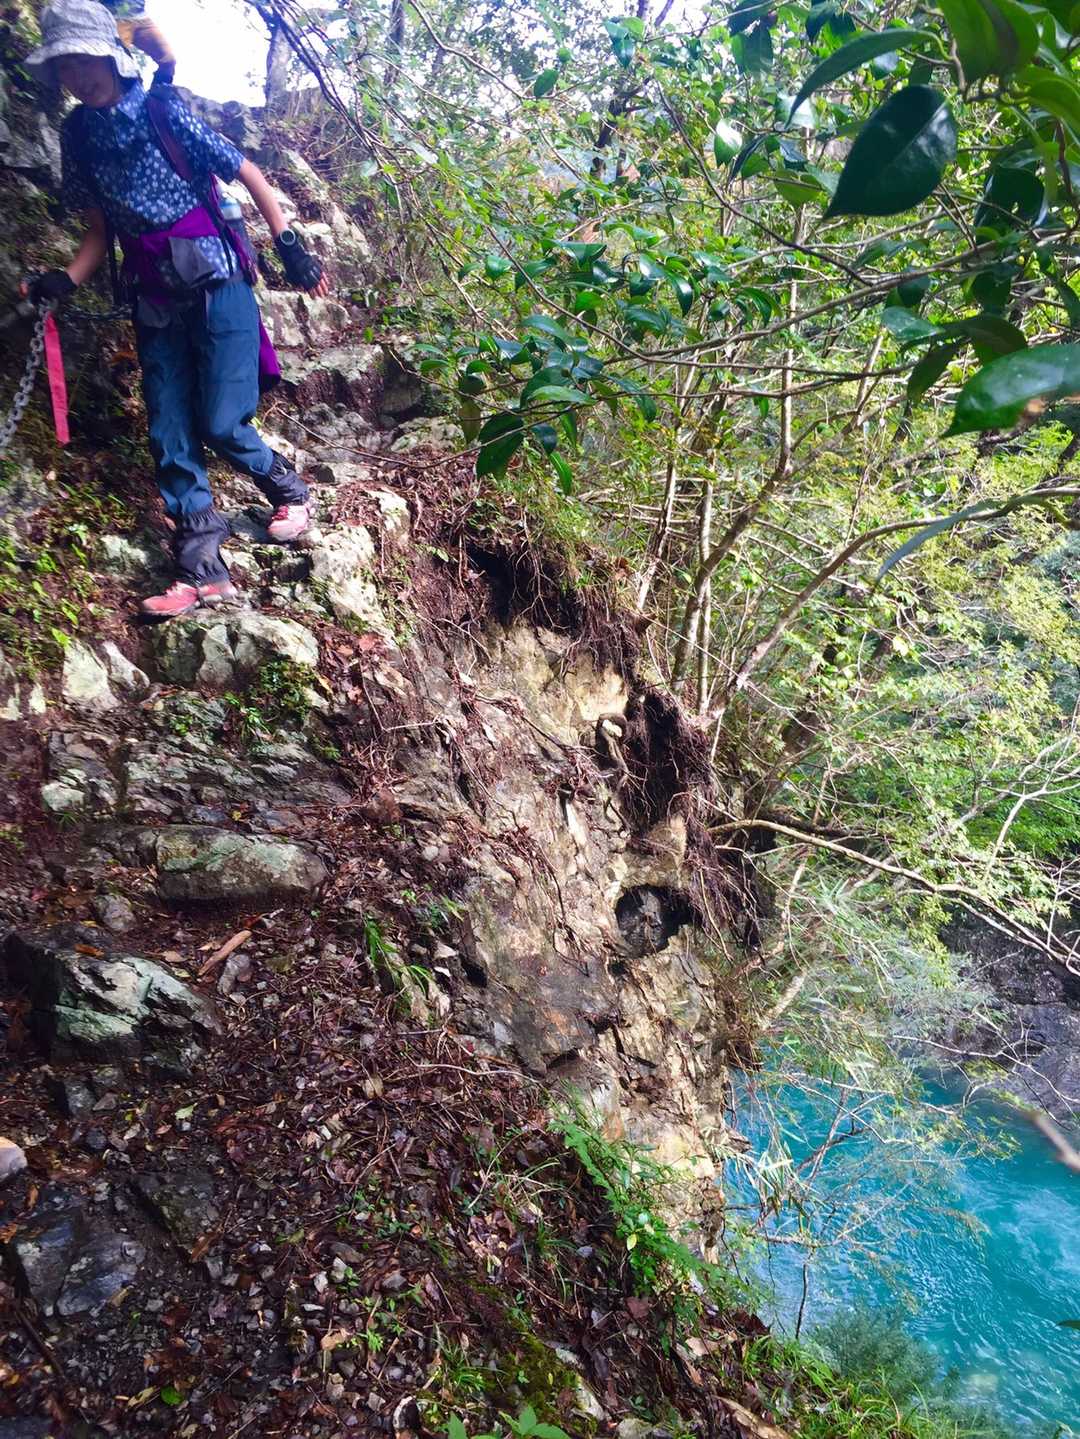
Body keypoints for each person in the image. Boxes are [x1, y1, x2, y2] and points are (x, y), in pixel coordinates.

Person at [22, 0, 330, 619]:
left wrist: (288, 242)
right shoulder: (78, 135)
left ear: (110, 56)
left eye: (84, 60)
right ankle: (202, 570)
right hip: (152, 292)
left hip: (217, 280)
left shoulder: (160, 110)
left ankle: (290, 491)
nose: (77, 76)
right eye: (65, 66)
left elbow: (243, 170)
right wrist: (64, 280)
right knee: (167, 430)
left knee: (220, 421)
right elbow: (99, 231)